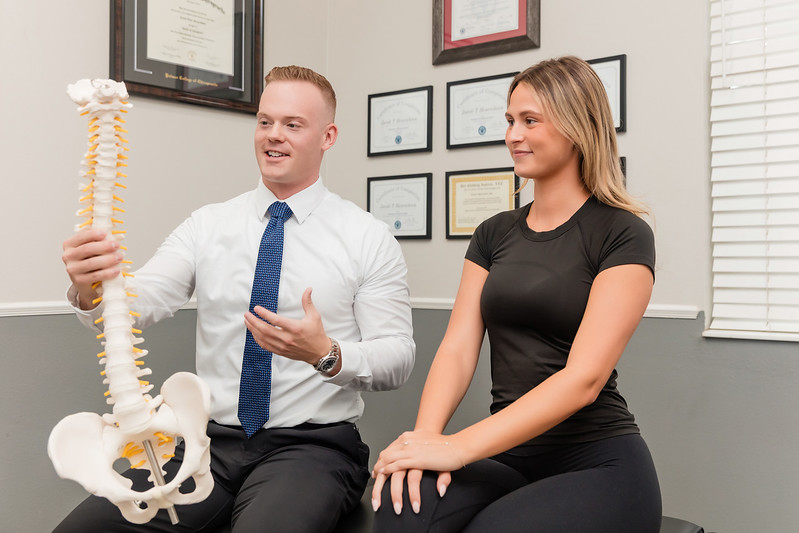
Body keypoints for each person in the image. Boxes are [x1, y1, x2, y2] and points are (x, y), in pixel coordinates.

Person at [56, 65, 415, 532]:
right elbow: (139, 303)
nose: (273, 136)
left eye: (292, 124)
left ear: (328, 137)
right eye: (265, 122)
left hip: (311, 448)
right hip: (205, 443)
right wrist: (91, 288)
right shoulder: (207, 225)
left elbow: (398, 357)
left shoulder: (368, 237)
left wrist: (324, 354)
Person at [370, 56, 662, 532]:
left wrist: (458, 446)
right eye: (509, 120)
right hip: (507, 457)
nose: (512, 135)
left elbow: (584, 379)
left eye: (530, 120)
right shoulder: (493, 233)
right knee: (404, 507)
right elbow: (459, 347)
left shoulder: (623, 234)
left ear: (576, 127)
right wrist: (424, 440)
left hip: (596, 460)